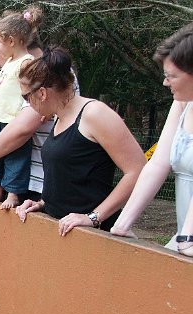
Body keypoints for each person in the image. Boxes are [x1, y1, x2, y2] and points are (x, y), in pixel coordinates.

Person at [14, 46, 145, 235]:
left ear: (42, 93)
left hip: (97, 235)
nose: (26, 103)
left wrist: (93, 217)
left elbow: (138, 169)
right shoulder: (58, 117)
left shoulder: (95, 114)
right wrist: (43, 203)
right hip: (64, 231)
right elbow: (71, 175)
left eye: (26, 97)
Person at [112, 22, 193, 256]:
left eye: (171, 76)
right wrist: (123, 223)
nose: (165, 82)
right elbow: (158, 163)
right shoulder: (182, 102)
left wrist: (187, 238)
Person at [0, 6, 43, 209]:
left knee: (15, 160)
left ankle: (13, 194)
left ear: (11, 41)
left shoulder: (26, 62)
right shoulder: (8, 62)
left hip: (12, 120)